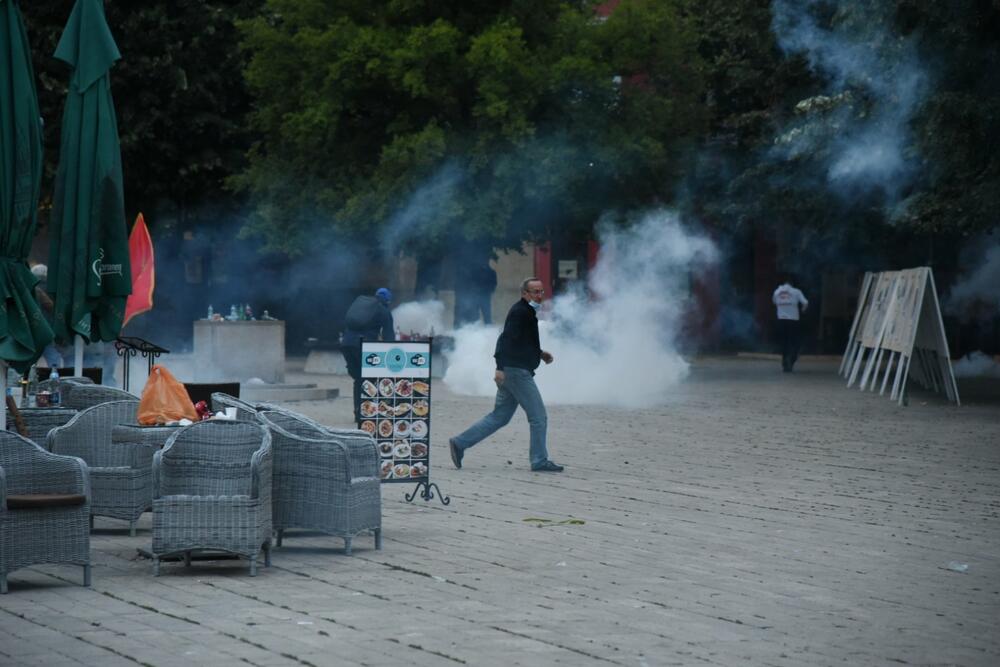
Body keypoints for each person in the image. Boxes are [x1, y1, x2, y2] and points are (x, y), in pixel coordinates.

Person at [448, 277, 564, 472]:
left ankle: (460, 443)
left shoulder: (526, 312)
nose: (539, 295)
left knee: (500, 416)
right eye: (534, 291)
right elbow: (505, 340)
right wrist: (499, 367)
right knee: (538, 417)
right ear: (525, 293)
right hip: (516, 372)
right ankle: (539, 460)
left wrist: (540, 353)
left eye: (541, 291)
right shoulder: (521, 312)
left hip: (513, 370)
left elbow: (521, 342)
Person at [342, 287, 394, 421]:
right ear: (387, 301)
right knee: (370, 379)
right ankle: (367, 412)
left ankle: (358, 413)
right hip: (364, 347)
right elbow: (389, 337)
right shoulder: (383, 310)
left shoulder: (362, 306)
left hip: (346, 344)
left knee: (358, 379)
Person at [772, 274, 808, 372]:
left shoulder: (777, 292)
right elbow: (805, 303)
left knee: (784, 342)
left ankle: (784, 362)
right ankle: (791, 360)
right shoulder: (796, 292)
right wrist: (803, 310)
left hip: (781, 320)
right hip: (793, 320)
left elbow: (774, 302)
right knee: (794, 342)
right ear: (792, 284)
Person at [31, 264, 63, 369]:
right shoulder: (53, 288)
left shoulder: (30, 288)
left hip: (31, 330)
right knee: (52, 357)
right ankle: (56, 376)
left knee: (29, 358)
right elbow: (52, 307)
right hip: (46, 330)